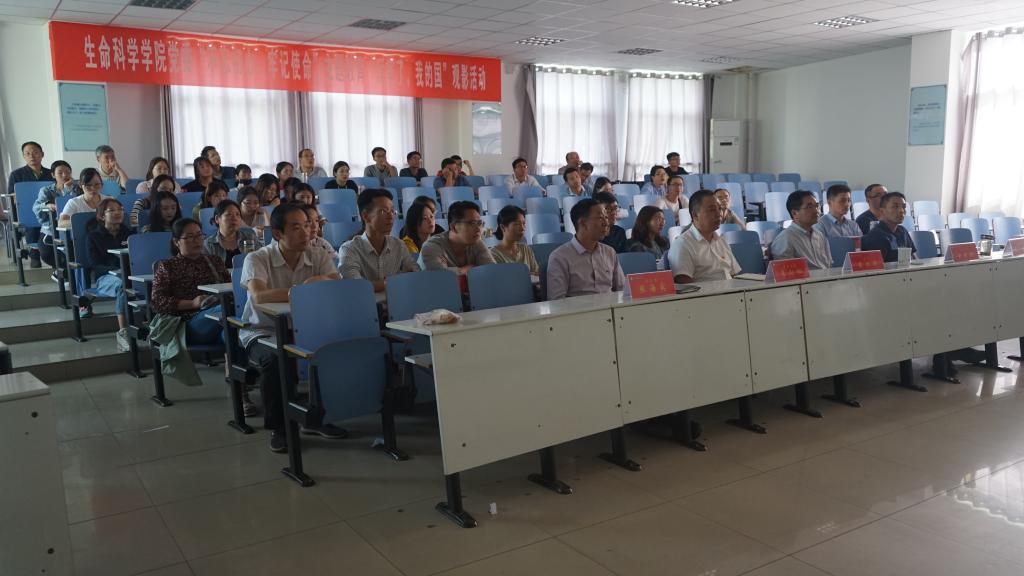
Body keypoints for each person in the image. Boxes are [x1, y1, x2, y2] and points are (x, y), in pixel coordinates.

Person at [238, 203, 342, 452]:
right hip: (262, 331)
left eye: (307, 225)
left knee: (333, 350)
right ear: (277, 233)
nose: (306, 232)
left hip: (306, 329)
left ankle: (314, 418)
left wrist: (322, 279)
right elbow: (259, 296)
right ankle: (280, 427)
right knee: (276, 360)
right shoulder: (257, 258)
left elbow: (336, 282)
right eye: (296, 227)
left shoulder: (317, 255)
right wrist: (302, 291)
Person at [151, 218, 231, 346]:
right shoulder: (167, 266)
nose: (197, 240)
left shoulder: (215, 261)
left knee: (234, 335)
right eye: (190, 237)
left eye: (199, 235)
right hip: (190, 324)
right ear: (176, 242)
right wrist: (192, 303)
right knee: (227, 309)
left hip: (220, 320)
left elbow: (230, 288)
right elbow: (157, 302)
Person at [339, 189, 417, 291]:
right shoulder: (349, 249)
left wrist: (376, 284)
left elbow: (414, 275)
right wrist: (397, 281)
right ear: (365, 216)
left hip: (398, 300)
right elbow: (356, 285)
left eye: (392, 211)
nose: (391, 216)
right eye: (384, 211)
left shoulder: (399, 245)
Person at [547, 198, 625, 299]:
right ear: (583, 223)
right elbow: (557, 301)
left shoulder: (609, 252)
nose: (606, 223)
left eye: (606, 217)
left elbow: (622, 290)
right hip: (578, 309)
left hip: (611, 307)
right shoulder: (559, 257)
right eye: (600, 218)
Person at [86, 198, 133, 350]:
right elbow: (94, 265)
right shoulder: (94, 237)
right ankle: (123, 331)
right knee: (122, 284)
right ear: (101, 216)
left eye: (120, 209)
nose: (117, 213)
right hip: (105, 278)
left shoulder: (130, 234)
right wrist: (114, 271)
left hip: (129, 274)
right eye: (112, 210)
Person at [668, 190, 741, 283]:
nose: (719, 214)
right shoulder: (682, 244)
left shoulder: (721, 240)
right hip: (708, 292)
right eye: (712, 210)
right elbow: (684, 284)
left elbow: (734, 274)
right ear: (695, 215)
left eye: (719, 209)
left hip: (731, 290)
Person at [420, 201, 494, 273]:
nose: (478, 229)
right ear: (454, 227)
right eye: (472, 223)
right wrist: (463, 271)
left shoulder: (476, 242)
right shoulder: (432, 247)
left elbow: (493, 271)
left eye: (479, 223)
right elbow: (440, 277)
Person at [10, 141, 53, 266]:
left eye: (35, 152)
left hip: (46, 210)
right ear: (24, 156)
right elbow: (12, 196)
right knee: (32, 222)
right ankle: (34, 254)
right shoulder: (16, 174)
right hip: (27, 211)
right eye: (27, 153)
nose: (32, 156)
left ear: (42, 154)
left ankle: (53, 254)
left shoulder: (51, 173)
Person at [33, 160, 80, 270]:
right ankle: (62, 271)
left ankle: (66, 273)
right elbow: (36, 207)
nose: (64, 175)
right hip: (51, 229)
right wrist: (47, 205)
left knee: (74, 253)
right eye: (60, 173)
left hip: (71, 228)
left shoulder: (77, 189)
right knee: (46, 254)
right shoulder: (46, 190)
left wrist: (67, 190)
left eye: (67, 172)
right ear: (53, 175)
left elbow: (69, 204)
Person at [769, 190, 832, 270]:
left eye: (817, 206)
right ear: (794, 213)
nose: (816, 211)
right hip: (805, 278)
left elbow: (829, 265)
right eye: (809, 207)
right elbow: (786, 272)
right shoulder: (785, 239)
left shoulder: (820, 235)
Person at [860, 191, 915, 262]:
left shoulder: (903, 231)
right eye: (895, 207)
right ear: (882, 211)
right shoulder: (876, 236)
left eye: (904, 207)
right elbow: (878, 265)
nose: (901, 211)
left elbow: (913, 256)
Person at [203, 200, 258, 268]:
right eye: (229, 214)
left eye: (237, 215)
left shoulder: (250, 238)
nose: (234, 218)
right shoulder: (209, 245)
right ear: (217, 219)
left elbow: (259, 262)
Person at [489, 205, 540, 275]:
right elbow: (503, 278)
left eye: (524, 223)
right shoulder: (494, 254)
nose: (522, 228)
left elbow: (537, 274)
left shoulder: (526, 249)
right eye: (517, 224)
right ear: (503, 227)